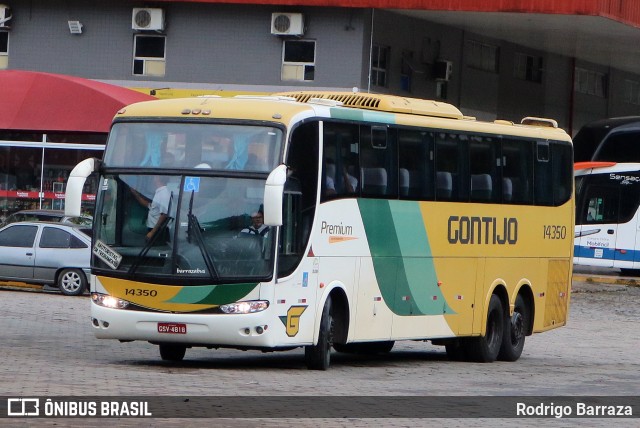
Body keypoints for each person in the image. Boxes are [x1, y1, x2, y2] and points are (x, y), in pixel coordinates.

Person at [131, 175, 171, 242]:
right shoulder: (159, 192)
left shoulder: (164, 193)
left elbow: (164, 215)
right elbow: (151, 206)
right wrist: (136, 194)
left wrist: (152, 232)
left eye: (154, 177)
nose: (152, 179)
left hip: (158, 231)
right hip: (154, 229)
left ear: (158, 178)